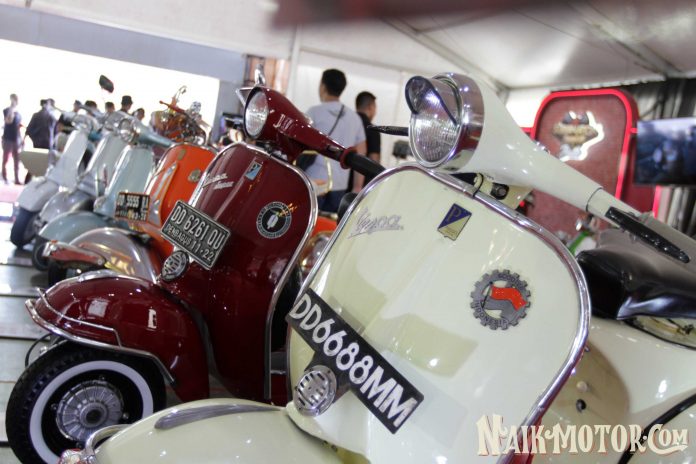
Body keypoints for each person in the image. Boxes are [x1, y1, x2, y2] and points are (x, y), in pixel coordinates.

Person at [305, 69, 366, 212]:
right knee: (330, 224)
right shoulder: (354, 118)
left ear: (323, 86)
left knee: (309, 221)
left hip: (314, 181)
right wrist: (357, 186)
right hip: (339, 185)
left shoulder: (314, 112)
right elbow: (361, 153)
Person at [355, 91, 381, 163]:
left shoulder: (347, 123)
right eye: (375, 108)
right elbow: (374, 160)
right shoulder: (373, 130)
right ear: (370, 107)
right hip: (359, 169)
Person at [2, 94, 22, 184]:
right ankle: (4, 177)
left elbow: (18, 127)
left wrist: (21, 139)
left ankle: (16, 179)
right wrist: (11, 107)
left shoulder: (18, 114)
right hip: (7, 139)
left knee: (17, 160)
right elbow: (8, 121)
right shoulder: (7, 110)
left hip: (16, 139)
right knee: (6, 159)